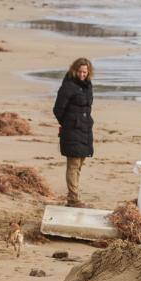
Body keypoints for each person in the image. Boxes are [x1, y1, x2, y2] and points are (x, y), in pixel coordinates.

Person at [53, 58, 94, 207]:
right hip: (72, 130)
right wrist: (69, 123)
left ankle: (73, 197)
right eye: (80, 71)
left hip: (85, 130)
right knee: (73, 165)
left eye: (85, 72)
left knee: (79, 165)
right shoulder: (68, 86)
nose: (82, 74)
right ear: (74, 70)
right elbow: (58, 109)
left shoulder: (88, 86)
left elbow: (87, 108)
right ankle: (73, 199)